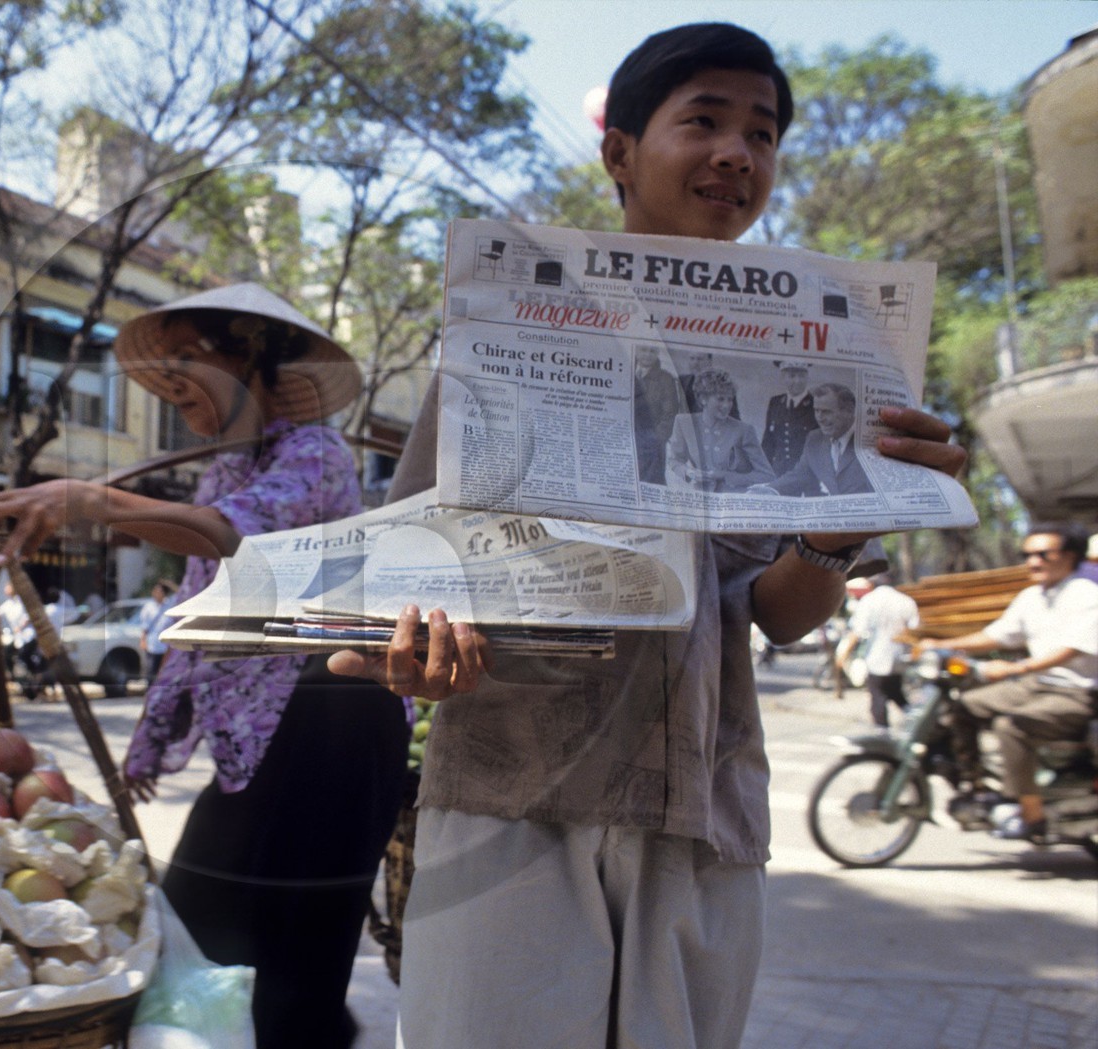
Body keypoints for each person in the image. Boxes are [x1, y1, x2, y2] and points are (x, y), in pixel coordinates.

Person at [329, 24, 967, 1049]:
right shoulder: (505, 330)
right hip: (509, 792)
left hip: (704, 807)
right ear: (619, 152)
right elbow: (416, 571)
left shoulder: (818, 354)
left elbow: (779, 616)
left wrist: (836, 533)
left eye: (761, 133)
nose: (737, 153)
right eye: (703, 121)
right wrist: (417, 656)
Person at [0, 283, 407, 1049]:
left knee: (297, 957)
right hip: (269, 731)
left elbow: (234, 536)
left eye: (190, 360)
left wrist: (93, 500)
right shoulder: (222, 470)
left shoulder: (316, 455)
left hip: (338, 720)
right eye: (165, 369)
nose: (174, 384)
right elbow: (198, 611)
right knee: (198, 922)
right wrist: (154, 733)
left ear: (248, 355)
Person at [918, 523, 1098, 841]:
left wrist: (1016, 668)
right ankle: (977, 786)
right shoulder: (1032, 596)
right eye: (1027, 554)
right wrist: (943, 644)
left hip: (1075, 692)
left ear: (1070, 556)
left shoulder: (1086, 595)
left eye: (1043, 554)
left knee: (1011, 727)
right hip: (1034, 684)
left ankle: (1030, 814)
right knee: (964, 706)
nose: (1033, 562)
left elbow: (1072, 649)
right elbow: (997, 635)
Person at [751, 382, 874, 497]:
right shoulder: (815, 438)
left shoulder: (872, 440)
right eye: (817, 411)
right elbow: (800, 474)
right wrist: (770, 489)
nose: (819, 418)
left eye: (826, 412)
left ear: (849, 411)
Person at [665, 367, 775, 492]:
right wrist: (690, 473)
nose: (727, 405)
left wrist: (726, 476)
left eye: (730, 399)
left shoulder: (744, 430)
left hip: (733, 497)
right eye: (720, 399)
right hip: (701, 495)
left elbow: (767, 475)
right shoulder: (683, 423)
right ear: (703, 399)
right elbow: (675, 460)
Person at [838, 573, 919, 728]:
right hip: (899, 657)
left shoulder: (869, 601)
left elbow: (857, 631)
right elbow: (915, 630)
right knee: (895, 691)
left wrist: (844, 654)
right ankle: (916, 719)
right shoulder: (906, 601)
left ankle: (882, 731)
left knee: (878, 696)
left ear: (872, 585)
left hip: (877, 657)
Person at [632, 343, 681, 484]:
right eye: (644, 349)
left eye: (652, 351)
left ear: (657, 353)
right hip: (627, 438)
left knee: (651, 480)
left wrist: (656, 437)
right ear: (636, 350)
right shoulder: (624, 371)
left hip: (652, 442)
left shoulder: (666, 379)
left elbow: (670, 413)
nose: (647, 354)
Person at [760, 360, 817, 474]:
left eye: (801, 376)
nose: (797, 381)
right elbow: (768, 442)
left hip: (806, 474)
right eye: (792, 376)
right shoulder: (775, 403)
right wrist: (764, 470)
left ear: (807, 377)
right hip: (778, 472)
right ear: (783, 378)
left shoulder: (816, 404)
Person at [137, 579, 177, 678]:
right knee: (151, 672)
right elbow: (144, 626)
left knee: (164, 673)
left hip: (166, 646)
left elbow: (181, 593)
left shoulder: (169, 604)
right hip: (152, 644)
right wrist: (143, 640)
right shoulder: (148, 606)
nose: (156, 593)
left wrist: (169, 584)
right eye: (155, 590)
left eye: (159, 591)